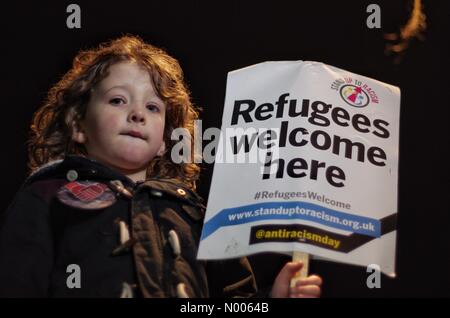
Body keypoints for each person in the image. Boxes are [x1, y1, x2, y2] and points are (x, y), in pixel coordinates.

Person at [0, 35, 322, 298]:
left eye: (152, 106)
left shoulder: (195, 216)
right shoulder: (46, 198)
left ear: (166, 140)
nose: (137, 114)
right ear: (78, 123)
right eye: (117, 100)